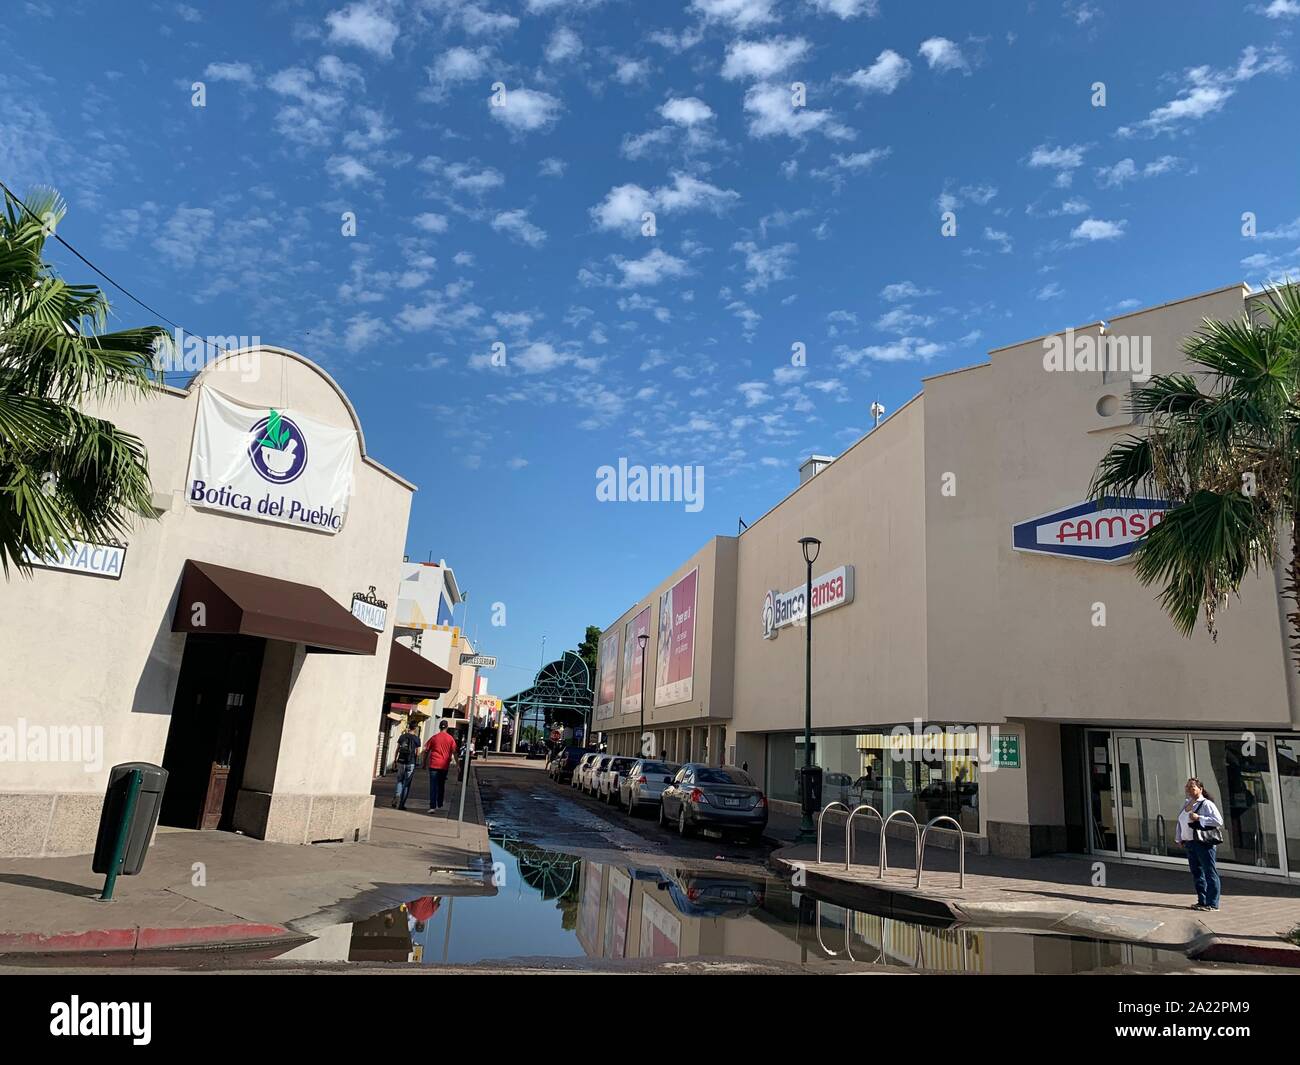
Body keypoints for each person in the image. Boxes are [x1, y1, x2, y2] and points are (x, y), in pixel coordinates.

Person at [1176, 777, 1224, 911]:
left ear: (1200, 789)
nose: (1189, 789)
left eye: (1192, 787)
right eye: (1187, 787)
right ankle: (1202, 901)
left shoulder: (1206, 804)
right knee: (1197, 873)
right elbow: (1181, 822)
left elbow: (1218, 821)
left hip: (1203, 842)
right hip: (1190, 843)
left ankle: (1212, 903)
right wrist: (1180, 838)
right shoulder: (1186, 803)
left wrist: (1199, 818)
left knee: (1209, 871)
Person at [423, 720, 458, 814]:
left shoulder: (434, 738)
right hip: (444, 766)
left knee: (433, 786)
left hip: (434, 764)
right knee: (441, 785)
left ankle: (432, 806)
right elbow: (455, 752)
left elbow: (426, 750)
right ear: (447, 727)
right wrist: (458, 765)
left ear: (439, 727)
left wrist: (424, 763)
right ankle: (440, 802)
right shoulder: (450, 739)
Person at [391, 722, 421, 810]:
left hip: (401, 761)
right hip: (410, 762)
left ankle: (397, 795)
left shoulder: (402, 736)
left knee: (399, 780)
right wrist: (416, 762)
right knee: (406, 784)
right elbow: (417, 752)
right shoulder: (416, 739)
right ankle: (401, 805)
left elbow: (397, 749)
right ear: (415, 728)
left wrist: (395, 760)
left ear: (409, 727)